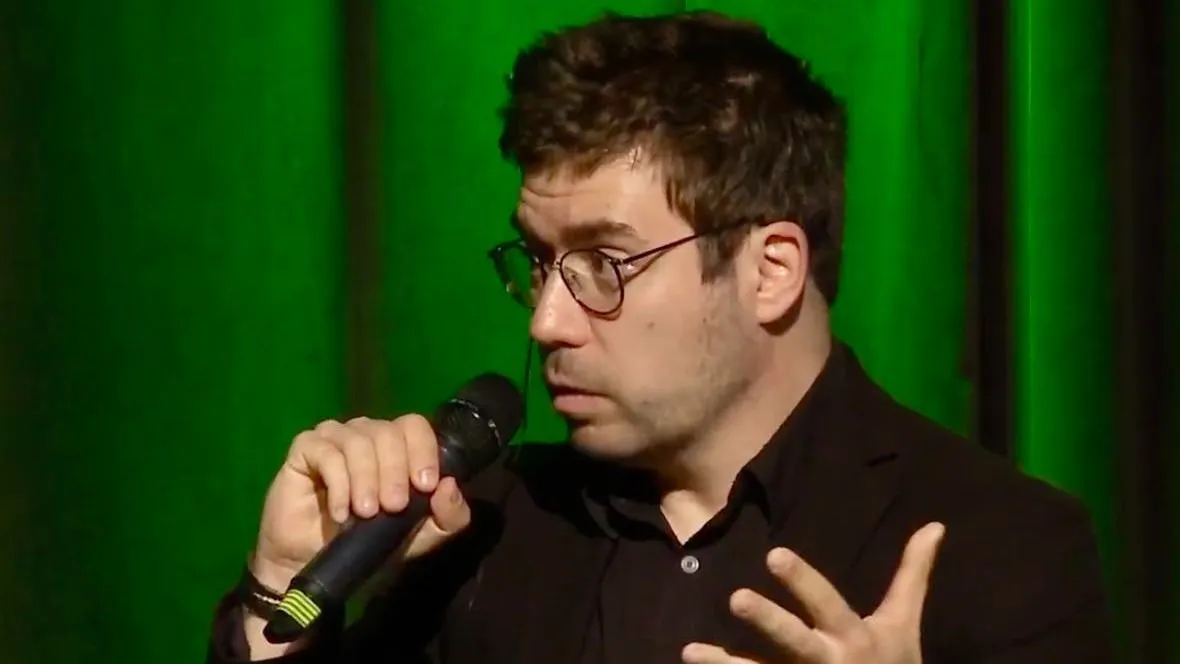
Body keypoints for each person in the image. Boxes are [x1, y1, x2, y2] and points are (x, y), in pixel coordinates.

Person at [205, 10, 1114, 664]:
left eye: (606, 263)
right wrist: (280, 588)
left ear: (770, 270)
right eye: (540, 261)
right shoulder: (478, 528)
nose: (546, 320)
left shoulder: (1002, 546)